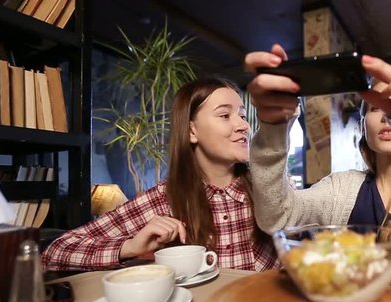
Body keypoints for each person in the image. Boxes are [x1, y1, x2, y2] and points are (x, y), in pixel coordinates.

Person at [245, 44, 391, 292]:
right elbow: (277, 218)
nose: (387, 116)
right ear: (363, 126)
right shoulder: (340, 189)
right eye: (376, 108)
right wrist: (273, 132)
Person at [43, 77, 279, 272]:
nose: (244, 126)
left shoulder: (270, 186)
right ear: (191, 131)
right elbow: (57, 251)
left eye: (243, 115)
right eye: (225, 115)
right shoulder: (162, 199)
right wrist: (130, 247)